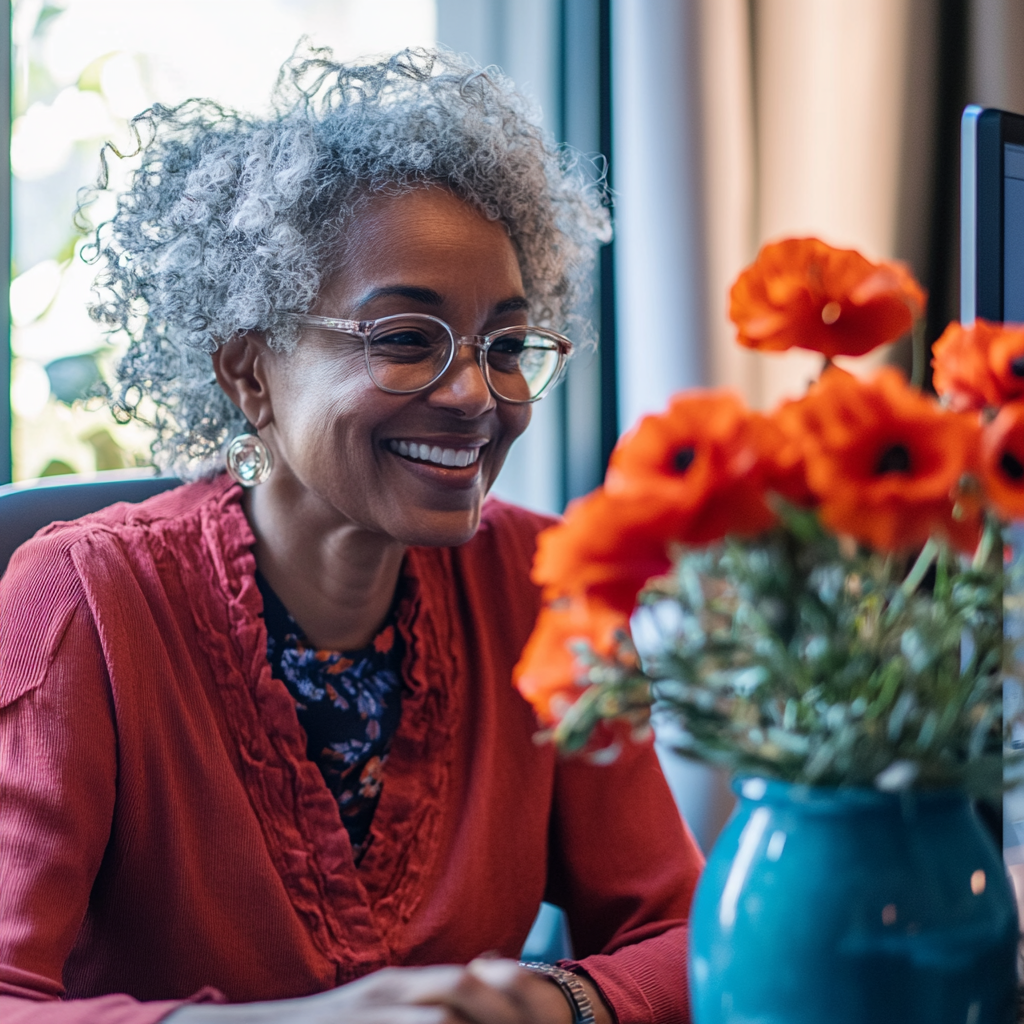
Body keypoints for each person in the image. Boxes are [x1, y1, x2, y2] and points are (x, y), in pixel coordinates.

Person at [0, 47, 704, 1024]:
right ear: (249, 372)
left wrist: (558, 1004)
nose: (474, 395)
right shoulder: (81, 602)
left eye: (504, 346)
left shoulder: (548, 586)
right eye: (407, 339)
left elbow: (692, 938)